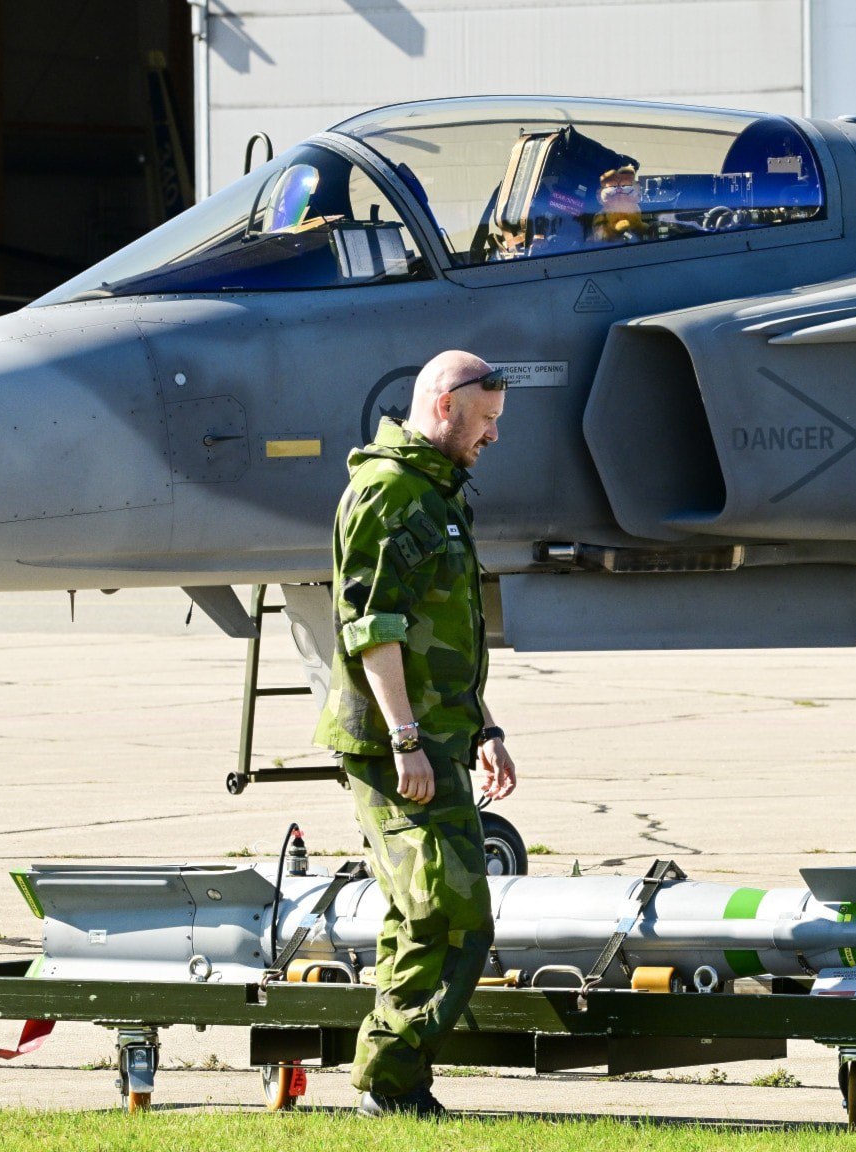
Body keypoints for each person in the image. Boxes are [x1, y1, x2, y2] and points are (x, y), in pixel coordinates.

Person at [314, 350, 518, 1118]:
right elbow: (372, 627)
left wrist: (485, 727)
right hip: (396, 748)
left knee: (422, 911)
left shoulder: (436, 494)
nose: (493, 436)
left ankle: (393, 1081)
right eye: (486, 420)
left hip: (438, 740)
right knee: (449, 913)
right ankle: (390, 1080)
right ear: (443, 407)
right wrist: (404, 739)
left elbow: (447, 634)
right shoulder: (389, 493)